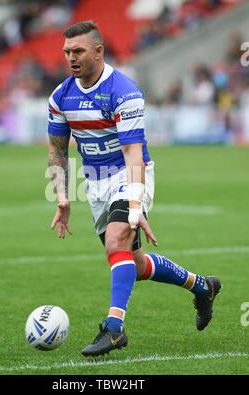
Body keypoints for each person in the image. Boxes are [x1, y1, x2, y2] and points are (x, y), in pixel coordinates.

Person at [47, 20, 222, 357]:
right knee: (135, 265)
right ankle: (203, 287)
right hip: (95, 183)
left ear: (99, 51)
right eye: (67, 51)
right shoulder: (60, 96)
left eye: (78, 51)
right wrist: (63, 196)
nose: (71, 57)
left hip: (130, 175)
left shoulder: (124, 92)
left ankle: (114, 329)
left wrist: (135, 205)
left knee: (116, 241)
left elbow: (132, 154)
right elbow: (57, 149)